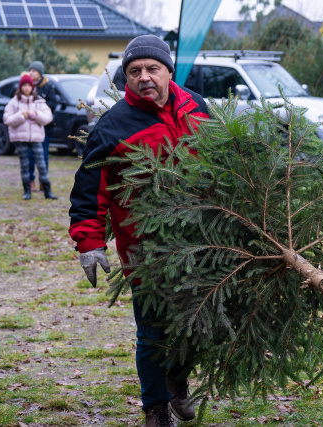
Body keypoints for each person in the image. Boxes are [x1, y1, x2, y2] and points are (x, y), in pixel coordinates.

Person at [68, 35, 209, 427]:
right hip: (144, 249)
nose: (144, 77)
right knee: (151, 333)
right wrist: (89, 243)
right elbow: (87, 191)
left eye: (151, 69)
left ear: (168, 71)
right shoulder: (112, 127)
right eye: (134, 71)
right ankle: (156, 408)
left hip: (203, 243)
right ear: (125, 78)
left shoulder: (198, 107)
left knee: (195, 325)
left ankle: (177, 381)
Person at [3, 74, 57, 200]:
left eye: (29, 85)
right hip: (20, 138)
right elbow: (7, 119)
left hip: (36, 138)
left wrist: (35, 115)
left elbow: (48, 117)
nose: (26, 88)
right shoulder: (13, 103)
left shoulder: (39, 102)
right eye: (24, 85)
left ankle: (47, 191)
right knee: (24, 164)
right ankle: (27, 191)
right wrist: (21, 116)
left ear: (32, 87)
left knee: (41, 164)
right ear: (20, 87)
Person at [27, 61, 58, 192]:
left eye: (34, 71)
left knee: (44, 155)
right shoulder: (26, 86)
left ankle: (43, 181)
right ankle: (30, 181)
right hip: (30, 128)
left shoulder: (47, 87)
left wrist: (39, 109)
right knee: (30, 156)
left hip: (45, 128)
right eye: (30, 70)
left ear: (39, 73)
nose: (31, 73)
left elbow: (53, 103)